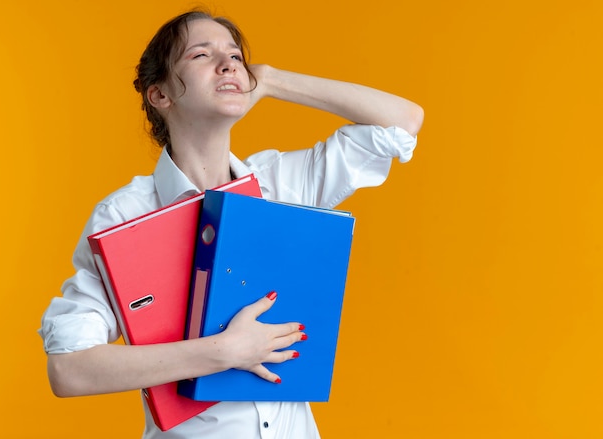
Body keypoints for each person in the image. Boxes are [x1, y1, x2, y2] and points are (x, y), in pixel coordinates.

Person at [39, 8, 424, 439]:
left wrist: (273, 80)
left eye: (235, 57)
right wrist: (224, 352)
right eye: (201, 55)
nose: (227, 64)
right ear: (160, 95)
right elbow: (69, 369)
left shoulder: (280, 183)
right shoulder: (124, 217)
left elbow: (402, 123)